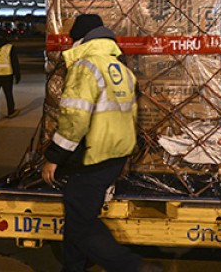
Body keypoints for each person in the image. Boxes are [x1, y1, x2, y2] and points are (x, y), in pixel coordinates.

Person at [41, 14, 161, 272]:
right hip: (116, 154)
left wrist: (54, 157)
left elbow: (74, 119)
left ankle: (133, 267)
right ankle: (73, 268)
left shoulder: (85, 67)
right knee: (78, 214)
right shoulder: (122, 69)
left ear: (80, 40)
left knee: (81, 224)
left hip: (92, 156)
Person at [0, 34, 21, 122]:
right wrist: (17, 75)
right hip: (7, 75)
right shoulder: (9, 47)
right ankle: (11, 112)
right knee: (8, 94)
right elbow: (14, 62)